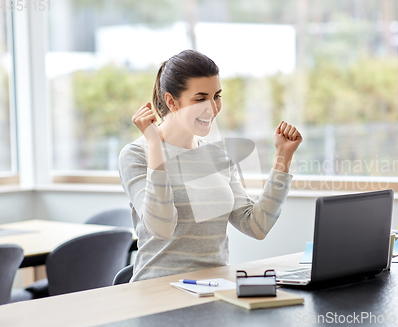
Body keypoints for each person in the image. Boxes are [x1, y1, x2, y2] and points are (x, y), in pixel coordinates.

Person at [118, 49, 302, 282]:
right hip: (158, 291)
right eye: (200, 98)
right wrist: (155, 144)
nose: (213, 108)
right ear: (171, 101)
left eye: (217, 96)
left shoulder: (218, 157)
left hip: (212, 289)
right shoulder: (136, 155)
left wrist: (282, 159)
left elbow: (256, 226)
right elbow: (161, 227)